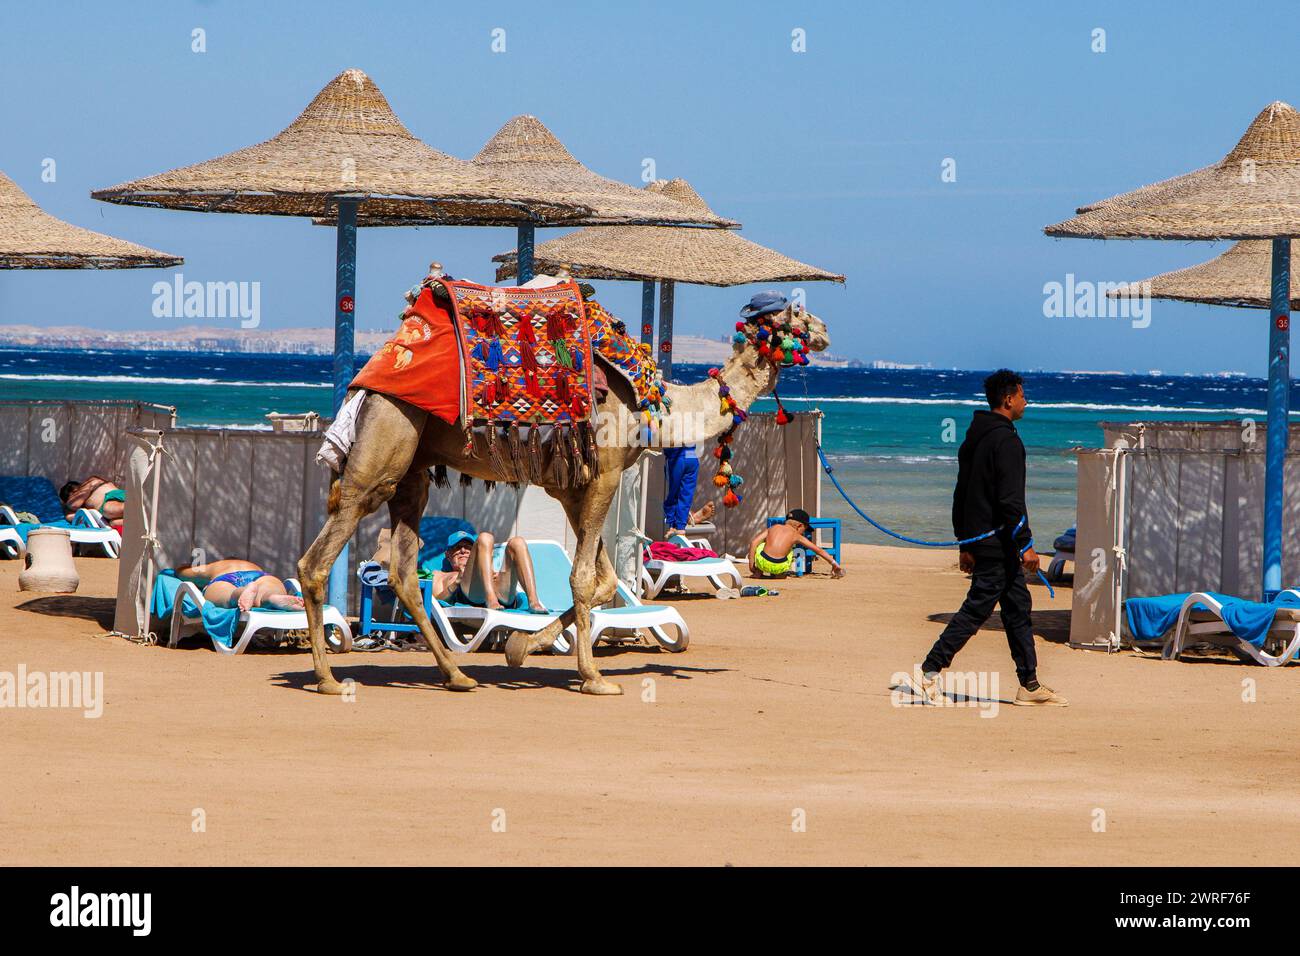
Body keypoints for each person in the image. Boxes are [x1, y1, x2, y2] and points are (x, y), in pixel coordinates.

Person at [911, 369, 1067, 707]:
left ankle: (1029, 684)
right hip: (999, 543)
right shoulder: (1006, 441)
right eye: (1023, 396)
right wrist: (1025, 543)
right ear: (1009, 399)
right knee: (977, 608)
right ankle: (928, 672)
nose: (1027, 402)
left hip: (984, 540)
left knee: (1018, 608)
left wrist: (965, 543)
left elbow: (960, 494)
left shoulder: (975, 437)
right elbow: (1011, 499)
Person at [432, 531, 549, 614]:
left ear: (475, 552)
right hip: (472, 596)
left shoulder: (487, 565)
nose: (463, 551)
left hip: (501, 596)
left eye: (468, 547)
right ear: (447, 555)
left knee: (517, 542)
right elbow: (434, 602)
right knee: (485, 537)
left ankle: (533, 601)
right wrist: (456, 582)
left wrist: (498, 578)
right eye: (457, 547)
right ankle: (490, 598)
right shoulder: (440, 575)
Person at [747, 508, 844, 579]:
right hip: (780, 566)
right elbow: (818, 550)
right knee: (790, 550)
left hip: (763, 563)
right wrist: (834, 564)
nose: (804, 532)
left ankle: (758, 573)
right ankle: (779, 575)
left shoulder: (774, 527)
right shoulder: (797, 536)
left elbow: (753, 542)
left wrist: (752, 565)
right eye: (804, 529)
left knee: (762, 545)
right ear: (799, 526)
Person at [177, 559, 304, 612]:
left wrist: (180, 569)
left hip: (227, 577)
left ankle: (239, 593)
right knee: (267, 590)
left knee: (227, 594)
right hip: (259, 575)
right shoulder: (250, 563)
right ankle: (271, 598)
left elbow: (183, 574)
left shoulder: (217, 565)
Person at [662, 445, 701, 538]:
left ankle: (672, 526)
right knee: (686, 496)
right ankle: (680, 528)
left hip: (676, 457)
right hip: (692, 456)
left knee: (673, 494)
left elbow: (651, 436)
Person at [59, 476, 125, 523]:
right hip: (114, 501)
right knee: (114, 523)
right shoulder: (83, 504)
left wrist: (68, 506)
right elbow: (70, 516)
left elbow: (74, 505)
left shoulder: (91, 481)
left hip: (109, 499)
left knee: (112, 510)